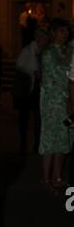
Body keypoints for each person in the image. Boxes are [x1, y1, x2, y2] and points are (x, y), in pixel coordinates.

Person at [39, 18, 73, 191]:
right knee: (49, 140)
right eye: (61, 31)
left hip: (66, 102)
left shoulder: (68, 51)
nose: (65, 34)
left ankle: (58, 177)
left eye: (66, 30)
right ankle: (46, 180)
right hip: (52, 103)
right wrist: (64, 97)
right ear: (53, 33)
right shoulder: (49, 53)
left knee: (62, 140)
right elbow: (49, 80)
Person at [13, 28, 49, 154]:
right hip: (27, 89)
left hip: (38, 89)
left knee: (38, 118)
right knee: (24, 118)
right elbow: (19, 66)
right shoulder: (28, 50)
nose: (46, 40)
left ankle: (37, 144)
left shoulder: (45, 52)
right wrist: (33, 72)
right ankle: (23, 144)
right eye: (44, 38)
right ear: (38, 38)